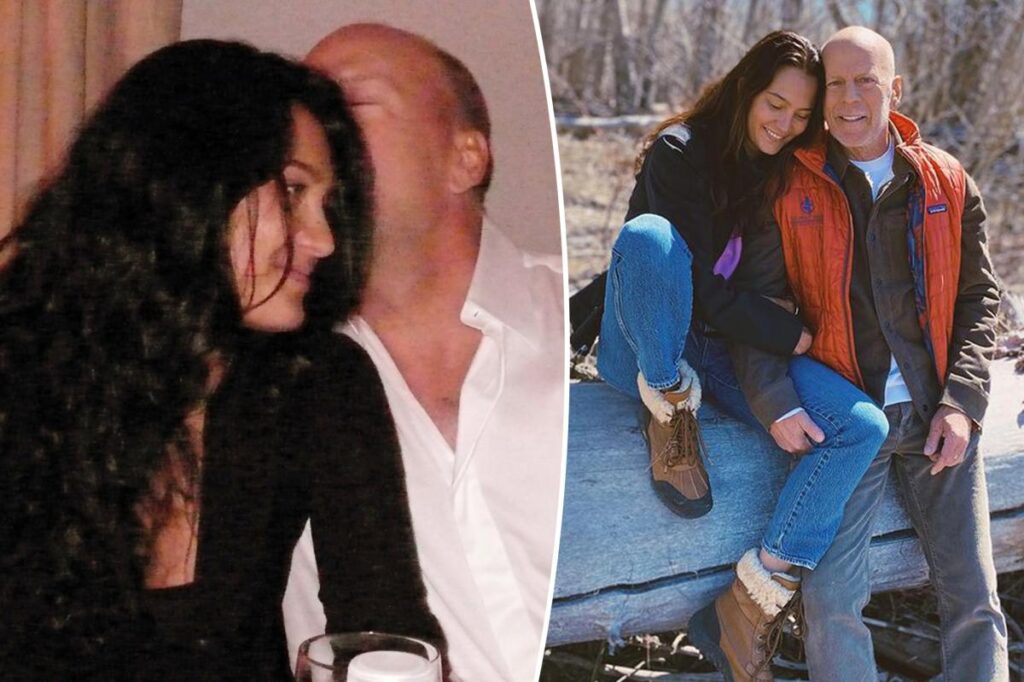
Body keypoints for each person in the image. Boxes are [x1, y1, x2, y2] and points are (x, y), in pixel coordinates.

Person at [0, 39, 442, 680]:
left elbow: (386, 631)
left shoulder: (316, 380)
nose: (323, 239)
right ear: (183, 186)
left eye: (326, 205)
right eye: (292, 191)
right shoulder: (17, 373)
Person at [589, 31, 890, 681]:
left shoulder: (784, 171)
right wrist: (786, 331)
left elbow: (753, 289)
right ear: (746, 90)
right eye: (775, 104)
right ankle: (669, 409)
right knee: (651, 238)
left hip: (724, 348)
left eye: (801, 114)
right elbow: (689, 283)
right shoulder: (680, 151)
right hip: (644, 343)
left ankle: (750, 604)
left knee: (861, 426)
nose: (785, 124)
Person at [282, 23, 564, 682]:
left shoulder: (593, 324)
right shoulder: (261, 387)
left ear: (465, 158)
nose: (315, 134)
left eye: (349, 103)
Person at [731, 26, 1008, 681]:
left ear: (896, 90)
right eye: (835, 83)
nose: (850, 98)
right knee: (830, 602)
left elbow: (980, 300)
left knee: (973, 595)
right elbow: (756, 309)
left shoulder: (946, 180)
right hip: (849, 421)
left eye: (867, 82)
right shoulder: (786, 185)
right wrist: (774, 400)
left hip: (937, 412)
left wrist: (963, 403)